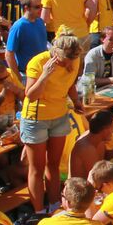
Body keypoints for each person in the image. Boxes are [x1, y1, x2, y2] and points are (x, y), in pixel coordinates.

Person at [21, 32, 85, 214]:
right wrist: (44, 75)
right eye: (64, 60)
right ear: (55, 52)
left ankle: (55, 205)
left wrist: (76, 101)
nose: (67, 65)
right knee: (36, 168)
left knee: (54, 165)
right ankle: (39, 212)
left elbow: (70, 84)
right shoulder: (37, 63)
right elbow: (31, 95)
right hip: (36, 118)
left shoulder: (74, 59)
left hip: (59, 116)